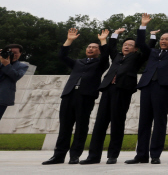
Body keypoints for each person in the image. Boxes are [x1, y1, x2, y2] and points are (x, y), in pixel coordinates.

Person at [80, 24, 157, 164]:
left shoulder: (137, 58)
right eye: (125, 44)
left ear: (135, 48)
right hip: (108, 89)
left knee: (117, 123)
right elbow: (110, 48)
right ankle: (93, 156)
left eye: (130, 45)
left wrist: (152, 35)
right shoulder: (116, 56)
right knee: (100, 124)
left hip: (123, 91)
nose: (126, 46)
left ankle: (112, 155)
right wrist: (115, 34)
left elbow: (148, 50)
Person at [125, 7, 168, 165]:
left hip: (163, 88)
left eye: (167, 39)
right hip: (147, 86)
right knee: (144, 122)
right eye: (162, 39)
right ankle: (141, 155)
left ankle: (155, 154)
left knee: (159, 121)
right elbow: (140, 43)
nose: (163, 41)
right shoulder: (152, 52)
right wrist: (143, 26)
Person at [42, 29, 110, 165]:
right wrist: (69, 40)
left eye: (94, 47)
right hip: (69, 95)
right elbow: (62, 56)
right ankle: (59, 156)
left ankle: (75, 155)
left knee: (81, 127)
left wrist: (103, 40)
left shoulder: (101, 63)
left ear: (99, 51)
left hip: (86, 97)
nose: (91, 49)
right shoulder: (77, 63)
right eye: (89, 47)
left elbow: (106, 55)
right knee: (64, 127)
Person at [0, 44, 28, 121]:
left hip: (3, 96)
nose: (13, 54)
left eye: (15, 53)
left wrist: (6, 64)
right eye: (10, 52)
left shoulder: (22, 66)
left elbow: (16, 76)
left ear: (20, 54)